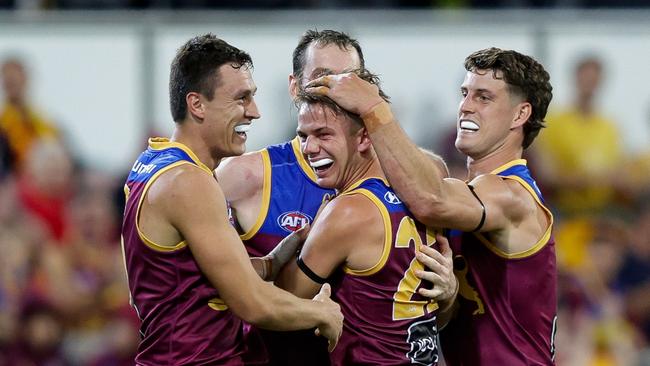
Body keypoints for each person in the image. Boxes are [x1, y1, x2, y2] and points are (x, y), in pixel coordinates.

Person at [306, 47, 557, 364]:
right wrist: (450, 294)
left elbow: (430, 199)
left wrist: (373, 108)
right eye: (464, 94)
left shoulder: (512, 195)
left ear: (520, 115)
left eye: (483, 98)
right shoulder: (469, 194)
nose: (465, 107)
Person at [121, 33, 343, 365]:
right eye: (240, 99)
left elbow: (187, 279)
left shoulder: (154, 163)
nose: (254, 112)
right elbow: (252, 304)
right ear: (197, 104)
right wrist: (321, 313)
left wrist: (271, 262)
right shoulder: (188, 183)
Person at [274, 71, 457, 366]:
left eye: (323, 134)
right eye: (303, 137)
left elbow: (280, 303)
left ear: (363, 138)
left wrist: (272, 258)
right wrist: (450, 294)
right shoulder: (432, 178)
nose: (308, 148)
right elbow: (437, 313)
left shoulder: (348, 212)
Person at [215, 29, 363, 366]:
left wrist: (446, 297)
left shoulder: (395, 179)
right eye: (323, 78)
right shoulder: (246, 175)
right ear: (295, 88)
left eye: (349, 79)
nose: (337, 91)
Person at [0, 57, 59, 173]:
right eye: (8, 81)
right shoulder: (3, 121)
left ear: (26, 80)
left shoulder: (44, 120)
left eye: (16, 80)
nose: (13, 85)